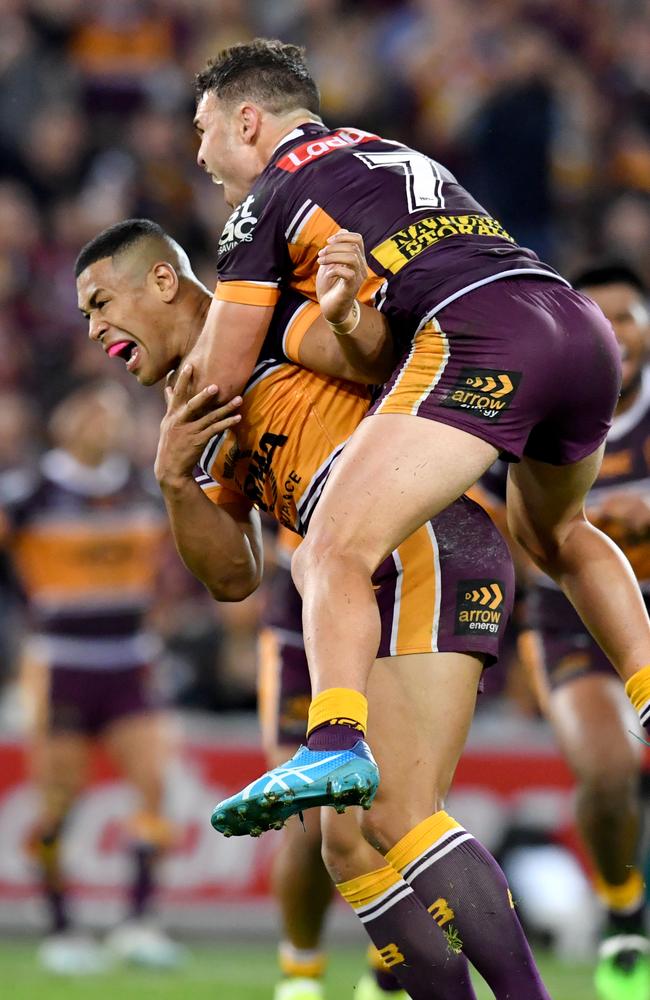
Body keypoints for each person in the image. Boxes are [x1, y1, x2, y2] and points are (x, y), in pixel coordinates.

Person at [75, 218, 553, 999]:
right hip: (374, 571)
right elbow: (232, 577)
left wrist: (347, 312)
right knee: (351, 846)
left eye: (100, 303)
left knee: (397, 813)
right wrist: (172, 480)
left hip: (419, 534)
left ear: (163, 281)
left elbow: (386, 360)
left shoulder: (264, 316)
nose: (94, 329)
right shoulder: (195, 399)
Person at [182, 39, 650, 835]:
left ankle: (332, 737)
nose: (198, 152)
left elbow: (217, 380)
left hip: (483, 338)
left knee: (329, 544)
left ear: (248, 119)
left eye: (204, 128)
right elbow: (384, 335)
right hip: (572, 323)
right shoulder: (389, 151)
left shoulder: (268, 196)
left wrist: (174, 432)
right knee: (557, 532)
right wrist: (339, 319)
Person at [5, 381, 184, 973]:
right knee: (58, 800)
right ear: (62, 419)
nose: (100, 423)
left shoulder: (141, 487)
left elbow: (166, 566)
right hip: (61, 660)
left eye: (111, 413)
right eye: (89, 410)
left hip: (130, 656)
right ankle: (61, 928)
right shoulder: (28, 494)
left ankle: (137, 922)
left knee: (156, 787)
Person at [512, 264, 649, 1000]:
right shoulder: (539, 407)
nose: (618, 332)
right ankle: (625, 910)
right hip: (570, 618)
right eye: (604, 316)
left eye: (630, 316)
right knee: (605, 772)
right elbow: (503, 523)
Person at [259, 527, 405, 1000]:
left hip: (402, 612)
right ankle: (300, 974)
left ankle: (388, 974)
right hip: (304, 622)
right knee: (307, 819)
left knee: (396, 811)